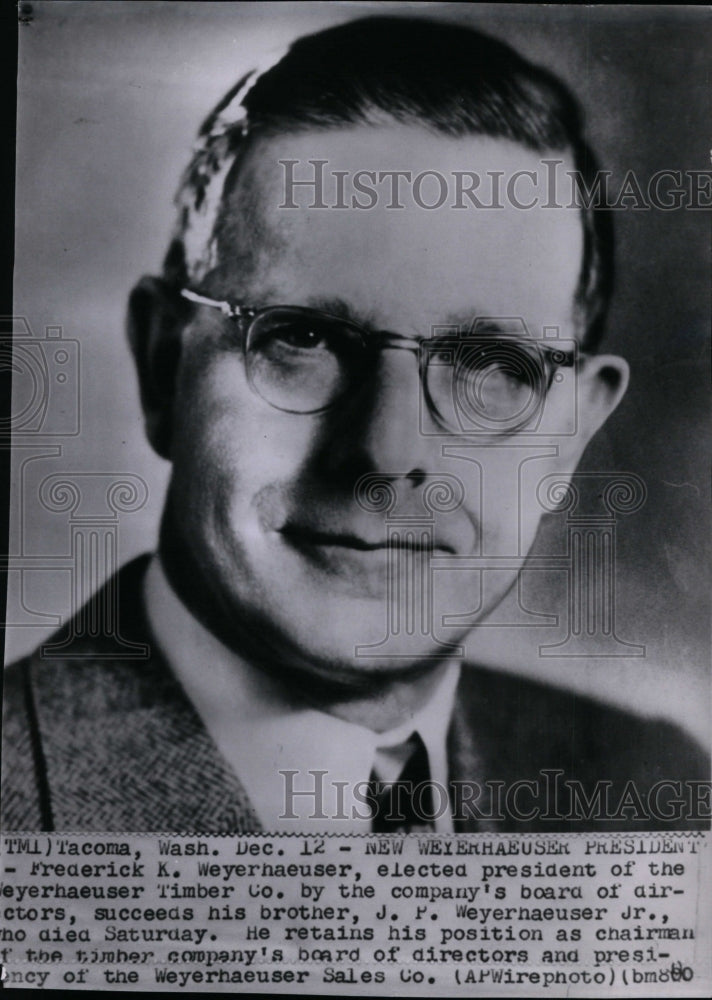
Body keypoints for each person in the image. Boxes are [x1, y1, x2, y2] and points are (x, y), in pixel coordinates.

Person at [2, 15, 708, 832]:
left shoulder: (658, 789)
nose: (385, 452)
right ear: (164, 365)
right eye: (303, 338)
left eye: (489, 364)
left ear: (571, 434)